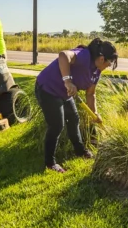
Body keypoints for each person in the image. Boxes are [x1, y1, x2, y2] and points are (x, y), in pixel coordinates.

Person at [35, 38, 119, 173]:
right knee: (57, 125)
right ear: (102, 59)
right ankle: (50, 163)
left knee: (73, 119)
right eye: (110, 62)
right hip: (48, 89)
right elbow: (63, 55)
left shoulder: (97, 70)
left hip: (65, 94)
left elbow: (90, 94)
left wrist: (94, 113)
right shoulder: (84, 55)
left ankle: (80, 151)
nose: (110, 65)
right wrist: (67, 82)